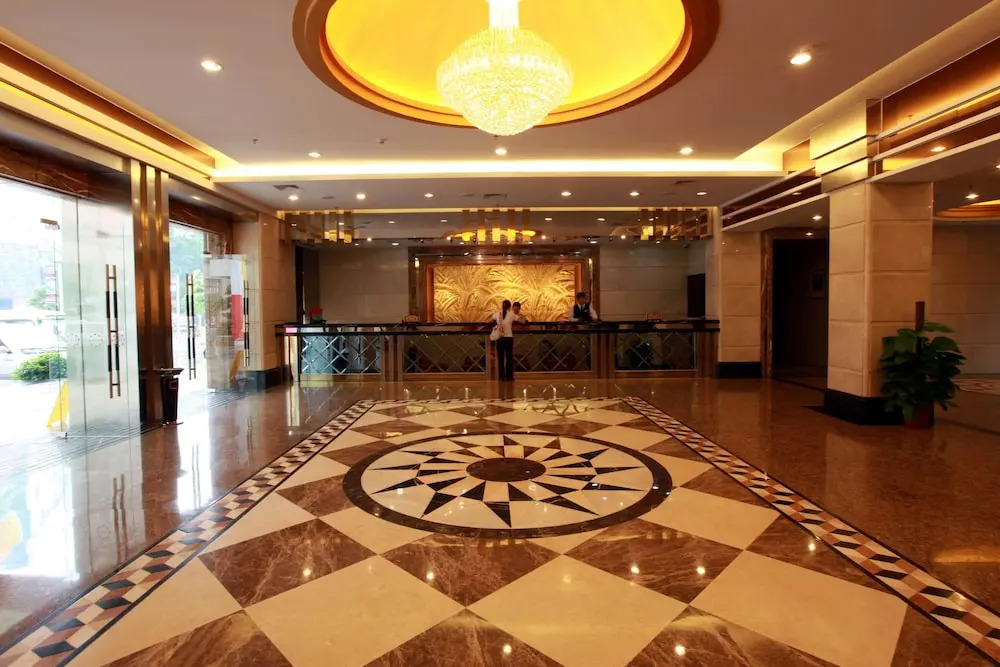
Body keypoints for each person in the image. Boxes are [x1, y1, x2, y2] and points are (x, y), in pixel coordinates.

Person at [490, 299, 522, 381]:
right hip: (508, 338)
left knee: (500, 358)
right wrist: (518, 313)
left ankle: (501, 376)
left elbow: (490, 320)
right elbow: (523, 321)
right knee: (509, 358)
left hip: (500, 338)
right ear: (510, 307)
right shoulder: (511, 315)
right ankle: (509, 377)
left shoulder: (497, 314)